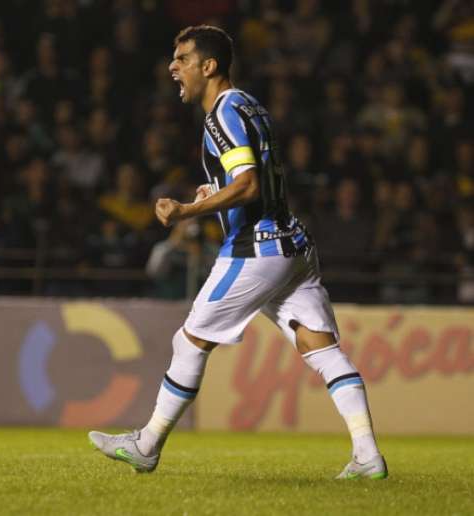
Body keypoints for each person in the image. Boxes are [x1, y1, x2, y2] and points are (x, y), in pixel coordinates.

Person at [88, 25, 387, 480]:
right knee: (321, 349)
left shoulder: (221, 115)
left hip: (257, 249)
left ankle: (146, 445)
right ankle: (367, 455)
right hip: (294, 246)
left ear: (209, 67)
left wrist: (189, 208)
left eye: (182, 58)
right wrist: (217, 194)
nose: (173, 67)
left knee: (188, 341)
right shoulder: (249, 105)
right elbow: (251, 179)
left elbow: (246, 185)